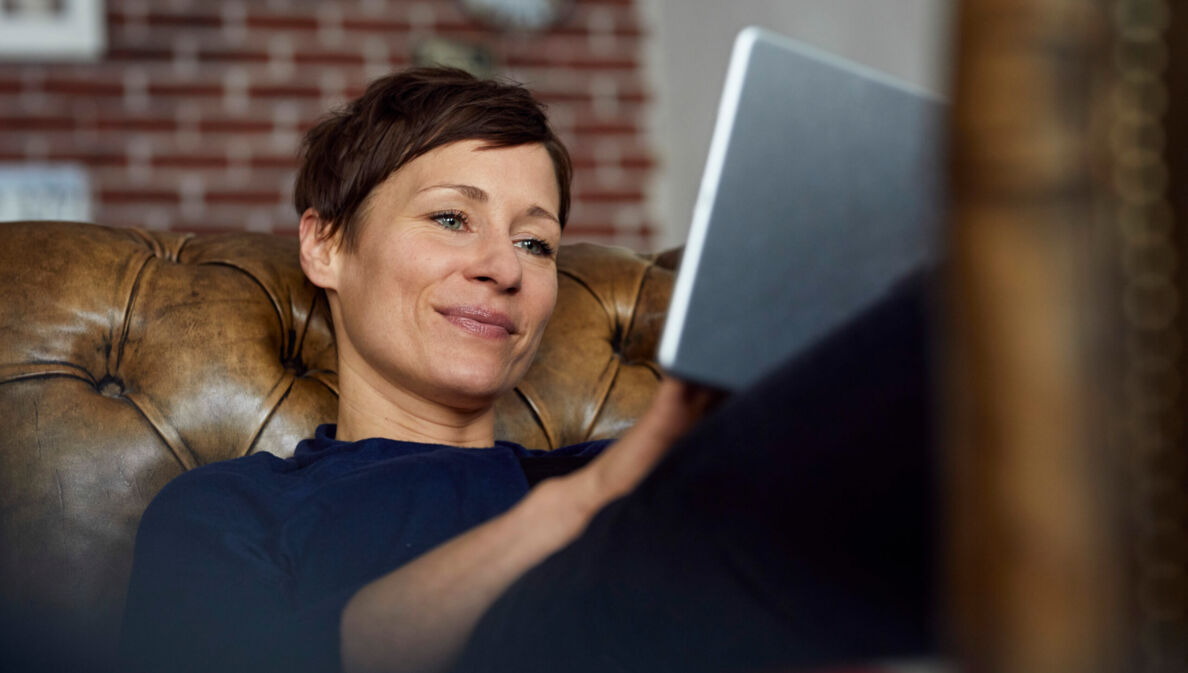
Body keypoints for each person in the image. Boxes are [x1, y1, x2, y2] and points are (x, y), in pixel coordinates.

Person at [119, 67, 937, 673]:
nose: (502, 269)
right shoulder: (234, 508)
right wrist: (598, 498)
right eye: (451, 218)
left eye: (535, 242)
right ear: (326, 245)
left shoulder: (620, 466)